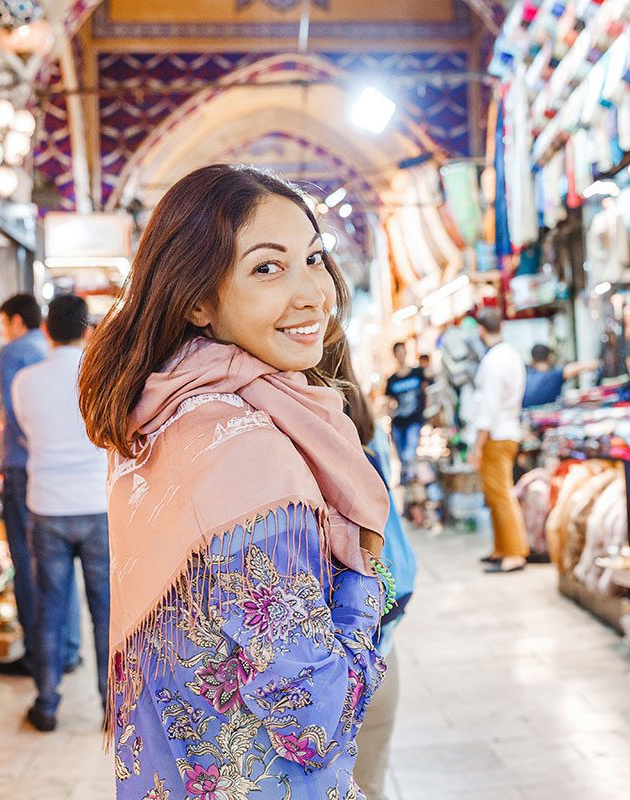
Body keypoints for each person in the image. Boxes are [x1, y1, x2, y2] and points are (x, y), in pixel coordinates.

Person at [78, 164, 390, 798]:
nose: (313, 294)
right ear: (197, 299)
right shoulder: (251, 453)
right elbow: (315, 719)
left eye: (313, 259)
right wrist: (364, 583)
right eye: (267, 268)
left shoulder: (157, 422)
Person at [320, 339, 417, 800]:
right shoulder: (364, 426)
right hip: (382, 623)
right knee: (370, 782)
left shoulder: (316, 433)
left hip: (349, 630)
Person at [12, 293, 110, 732]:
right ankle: (113, 707)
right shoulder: (102, 375)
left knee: (49, 609)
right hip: (97, 506)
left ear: (47, 330)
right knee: (106, 611)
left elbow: (25, 435)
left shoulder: (25, 381)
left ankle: (47, 704)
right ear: (88, 330)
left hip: (47, 506)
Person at [0, 294, 81, 679]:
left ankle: (39, 658)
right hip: (76, 488)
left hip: (26, 471)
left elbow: (18, 421)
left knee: (35, 571)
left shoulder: (13, 354)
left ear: (15, 321)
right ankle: (70, 649)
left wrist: (39, 445)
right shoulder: (50, 354)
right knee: (66, 575)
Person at [469, 307, 530, 573]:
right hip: (507, 431)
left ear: (481, 330)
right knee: (496, 496)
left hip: (495, 435)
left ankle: (514, 553)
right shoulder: (510, 355)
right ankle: (502, 548)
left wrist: (477, 446)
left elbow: (489, 409)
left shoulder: (493, 361)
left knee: (501, 495)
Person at [385, 341, 428, 483]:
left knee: (410, 453)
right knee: (402, 456)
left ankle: (410, 481)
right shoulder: (392, 380)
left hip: (414, 420)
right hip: (398, 422)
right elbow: (389, 402)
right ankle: (408, 485)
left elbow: (428, 389)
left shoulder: (417, 373)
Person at [522, 344, 598, 408]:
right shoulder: (552, 376)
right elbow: (571, 369)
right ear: (549, 357)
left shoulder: (525, 376)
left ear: (532, 359)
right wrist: (598, 363)